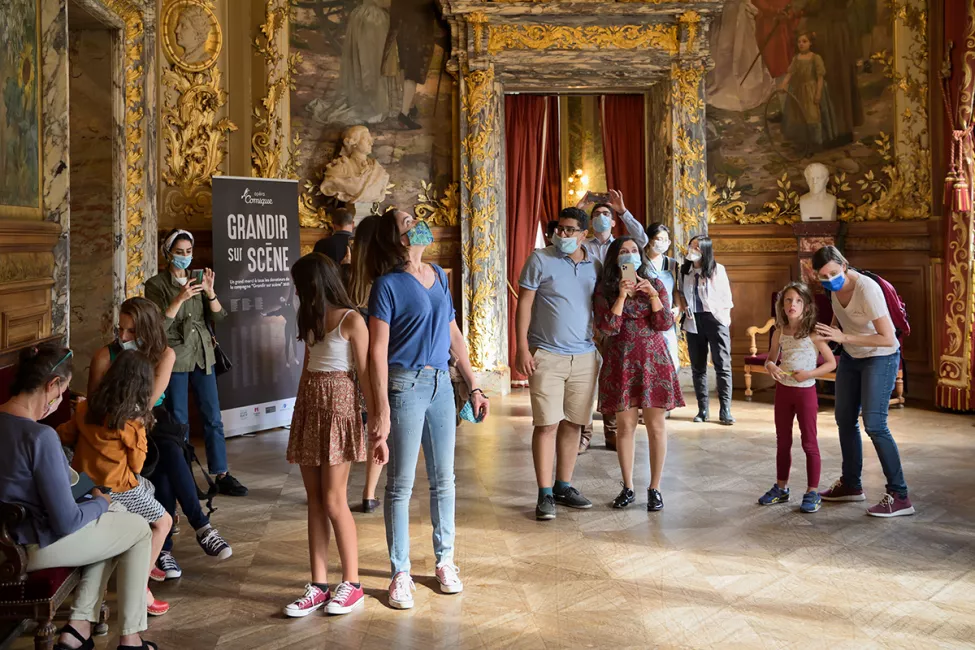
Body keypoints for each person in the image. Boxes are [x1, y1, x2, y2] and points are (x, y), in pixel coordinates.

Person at [0, 344, 158, 650]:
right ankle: (130, 639)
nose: (62, 399)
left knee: (113, 529)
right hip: (29, 546)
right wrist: (101, 502)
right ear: (52, 386)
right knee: (137, 529)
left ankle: (77, 630)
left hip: (7, 543)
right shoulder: (40, 436)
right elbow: (66, 521)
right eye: (64, 390)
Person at [368, 208, 489, 609]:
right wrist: (381, 407)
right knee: (401, 484)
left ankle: (445, 561)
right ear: (400, 239)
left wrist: (474, 384)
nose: (419, 224)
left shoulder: (438, 274)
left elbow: (453, 333)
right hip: (404, 384)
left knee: (444, 479)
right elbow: (377, 352)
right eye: (408, 222)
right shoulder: (386, 286)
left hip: (440, 384)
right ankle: (399, 572)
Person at [88, 297, 232, 583]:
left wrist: (135, 415)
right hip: (114, 423)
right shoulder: (104, 356)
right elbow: (93, 404)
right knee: (168, 454)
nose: (124, 337)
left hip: (151, 416)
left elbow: (148, 402)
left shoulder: (165, 354)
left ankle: (166, 547)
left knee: (166, 447)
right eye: (121, 330)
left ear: (148, 330)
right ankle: (200, 526)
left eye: (131, 331)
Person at [283, 253, 388, 617]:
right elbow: (307, 367)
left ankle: (353, 583)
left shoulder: (351, 319)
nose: (296, 292)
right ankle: (318, 584)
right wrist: (299, 413)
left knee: (333, 500)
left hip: (339, 411)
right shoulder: (310, 316)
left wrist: (377, 426)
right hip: (311, 408)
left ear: (315, 284)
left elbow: (366, 373)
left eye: (300, 286)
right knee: (314, 499)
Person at [59, 351, 173, 617]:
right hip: (118, 489)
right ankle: (141, 587)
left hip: (83, 486)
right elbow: (136, 466)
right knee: (164, 521)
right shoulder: (131, 422)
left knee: (149, 490)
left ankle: (138, 552)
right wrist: (143, 429)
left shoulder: (86, 408)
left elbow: (64, 434)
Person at [811, 246, 914, 517]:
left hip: (881, 356)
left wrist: (844, 338)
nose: (830, 279)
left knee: (875, 424)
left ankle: (900, 495)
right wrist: (831, 333)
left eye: (834, 273)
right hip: (852, 355)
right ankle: (851, 486)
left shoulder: (867, 289)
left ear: (844, 265)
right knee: (844, 419)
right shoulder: (830, 287)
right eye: (823, 276)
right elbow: (839, 315)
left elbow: (888, 338)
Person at [145, 228, 248, 497]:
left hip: (203, 354)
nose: (185, 257)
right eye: (179, 252)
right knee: (180, 419)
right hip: (175, 357)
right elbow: (158, 326)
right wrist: (179, 298)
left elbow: (221, 317)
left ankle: (221, 473)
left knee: (213, 417)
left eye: (188, 252)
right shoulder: (155, 285)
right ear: (167, 253)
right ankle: (184, 476)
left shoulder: (199, 279)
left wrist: (210, 292)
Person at [516, 207, 600, 521]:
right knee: (547, 424)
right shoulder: (540, 259)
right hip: (547, 354)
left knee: (574, 423)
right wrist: (522, 347)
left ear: (584, 235)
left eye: (568, 230)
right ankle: (545, 493)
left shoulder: (595, 265)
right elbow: (524, 304)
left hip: (584, 356)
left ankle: (564, 485)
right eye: (559, 229)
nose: (561, 235)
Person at [594, 238, 684, 511]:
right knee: (625, 427)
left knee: (656, 426)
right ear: (615, 259)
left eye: (634, 251)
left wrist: (654, 296)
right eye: (623, 252)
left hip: (653, 361)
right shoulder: (605, 289)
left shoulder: (654, 284)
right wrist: (621, 295)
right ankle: (628, 486)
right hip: (621, 361)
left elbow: (665, 323)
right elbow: (607, 327)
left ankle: (655, 487)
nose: (630, 255)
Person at [578, 190, 648, 453]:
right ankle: (584, 432)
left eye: (606, 214)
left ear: (613, 220)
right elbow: (569, 234)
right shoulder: (584, 244)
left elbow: (641, 239)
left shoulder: (624, 249)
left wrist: (622, 209)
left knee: (612, 378)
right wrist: (580, 206)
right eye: (596, 215)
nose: (601, 218)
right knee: (586, 379)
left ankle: (612, 431)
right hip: (585, 315)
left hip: (615, 316)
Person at [759, 282, 836, 513]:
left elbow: (831, 363)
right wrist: (770, 366)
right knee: (782, 442)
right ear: (782, 305)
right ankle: (781, 488)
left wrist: (810, 374)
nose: (793, 305)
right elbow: (770, 359)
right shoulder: (779, 331)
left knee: (809, 443)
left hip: (806, 393)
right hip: (783, 391)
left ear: (807, 306)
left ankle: (812, 491)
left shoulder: (813, 333)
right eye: (788, 300)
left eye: (798, 301)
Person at [346, 213, 384, 512]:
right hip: (380, 358)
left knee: (347, 427)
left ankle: (336, 486)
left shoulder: (346, 275)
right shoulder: (387, 277)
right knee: (377, 424)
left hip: (348, 361)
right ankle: (369, 493)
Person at [679, 234, 735, 425]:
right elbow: (680, 292)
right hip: (693, 320)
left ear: (705, 251)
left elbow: (727, 298)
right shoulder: (684, 270)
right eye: (691, 246)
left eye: (697, 247)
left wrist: (722, 320)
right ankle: (703, 409)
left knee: (722, 365)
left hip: (715, 319)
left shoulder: (718, 270)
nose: (692, 250)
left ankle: (725, 408)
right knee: (698, 367)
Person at [780, 32, 838, 150]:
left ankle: (816, 144)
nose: (801, 44)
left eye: (804, 41)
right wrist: (784, 83)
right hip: (799, 91)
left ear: (810, 43)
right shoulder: (796, 58)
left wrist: (818, 93)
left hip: (811, 90)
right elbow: (790, 73)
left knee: (812, 116)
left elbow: (820, 78)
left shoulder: (815, 58)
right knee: (800, 116)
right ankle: (803, 143)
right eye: (799, 42)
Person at [645, 223, 681, 372]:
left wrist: (677, 308)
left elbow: (676, 290)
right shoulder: (636, 261)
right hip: (645, 316)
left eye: (666, 240)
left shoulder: (672, 264)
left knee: (671, 360)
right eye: (659, 239)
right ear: (649, 240)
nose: (662, 243)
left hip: (666, 316)